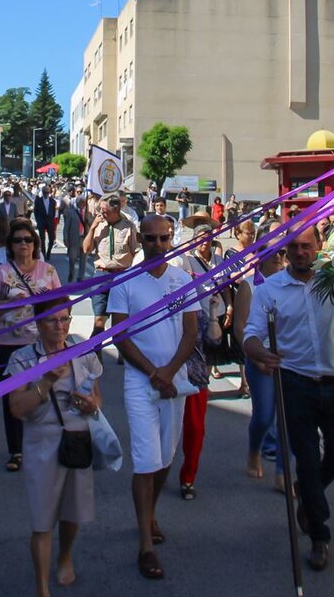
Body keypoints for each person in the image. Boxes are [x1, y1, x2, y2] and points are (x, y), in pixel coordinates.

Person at [244, 225, 334, 572]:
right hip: (296, 383)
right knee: (306, 459)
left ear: (319, 246)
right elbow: (251, 335)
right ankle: (319, 536)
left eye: (307, 246)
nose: (300, 253)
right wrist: (260, 352)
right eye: (294, 247)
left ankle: (308, 493)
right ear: (285, 251)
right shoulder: (271, 290)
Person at [108, 214, 199, 581]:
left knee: (165, 460)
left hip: (174, 383)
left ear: (171, 238)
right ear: (140, 240)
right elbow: (119, 334)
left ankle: (150, 512)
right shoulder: (125, 282)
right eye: (150, 239)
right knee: (145, 461)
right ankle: (145, 545)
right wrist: (151, 372)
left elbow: (191, 331)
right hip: (139, 382)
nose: (158, 246)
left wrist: (169, 371)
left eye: (163, 239)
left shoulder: (183, 279)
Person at [8, 298, 102, 597]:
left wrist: (92, 404)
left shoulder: (82, 350)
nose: (60, 326)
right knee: (42, 517)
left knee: (73, 510)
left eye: (65, 319)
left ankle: (65, 555)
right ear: (37, 323)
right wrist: (46, 380)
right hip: (40, 439)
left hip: (77, 435)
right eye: (52, 320)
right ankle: (42, 587)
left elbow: (97, 396)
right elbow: (16, 409)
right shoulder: (23, 358)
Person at [0, 220, 62, 471]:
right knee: (13, 398)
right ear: (11, 245)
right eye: (18, 240)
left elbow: (61, 303)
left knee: (45, 393)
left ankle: (45, 445)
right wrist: (9, 303)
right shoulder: (2, 272)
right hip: (9, 343)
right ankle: (16, 450)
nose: (23, 244)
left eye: (28, 240)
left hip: (40, 341)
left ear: (35, 243)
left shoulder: (48, 271)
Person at [170, 223, 226, 500]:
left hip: (195, 371)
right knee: (166, 430)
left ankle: (188, 477)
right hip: (165, 373)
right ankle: (157, 472)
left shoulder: (197, 307)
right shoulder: (160, 306)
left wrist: (215, 313)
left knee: (195, 428)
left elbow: (213, 339)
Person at [232, 245, 287, 488]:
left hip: (289, 360)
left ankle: (283, 473)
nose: (277, 256)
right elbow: (240, 327)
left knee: (289, 418)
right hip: (260, 358)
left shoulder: (291, 282)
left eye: (282, 251)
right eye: (271, 251)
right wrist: (257, 357)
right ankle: (254, 450)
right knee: (264, 416)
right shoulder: (249, 285)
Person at [83, 195, 138, 339]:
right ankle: (96, 353)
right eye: (100, 210)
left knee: (120, 320)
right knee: (99, 320)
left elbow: (136, 252)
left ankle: (123, 351)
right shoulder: (99, 225)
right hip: (102, 275)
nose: (101, 213)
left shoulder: (128, 226)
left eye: (104, 210)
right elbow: (86, 249)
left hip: (122, 276)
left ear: (116, 209)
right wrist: (93, 228)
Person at [62, 196, 87, 283]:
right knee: (72, 258)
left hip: (84, 238)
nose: (83, 205)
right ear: (78, 203)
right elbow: (66, 227)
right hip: (74, 238)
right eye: (81, 203)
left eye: (84, 203)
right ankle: (71, 272)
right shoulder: (71, 212)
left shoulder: (87, 213)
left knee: (83, 259)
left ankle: (81, 277)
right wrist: (65, 238)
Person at [33, 186, 57, 260]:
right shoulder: (38, 200)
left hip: (50, 221)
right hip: (41, 221)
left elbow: (53, 212)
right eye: (44, 192)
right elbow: (35, 211)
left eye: (47, 192)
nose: (46, 194)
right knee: (42, 239)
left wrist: (52, 219)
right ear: (42, 192)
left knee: (52, 238)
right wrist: (38, 220)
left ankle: (49, 251)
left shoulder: (53, 201)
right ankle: (43, 253)